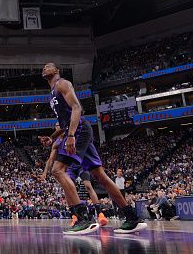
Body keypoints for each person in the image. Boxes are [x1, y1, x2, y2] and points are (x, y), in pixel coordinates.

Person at [38, 62, 147, 235]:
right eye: (43, 67)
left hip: (79, 130)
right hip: (78, 130)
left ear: (57, 70)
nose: (45, 68)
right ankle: (132, 217)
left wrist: (72, 135)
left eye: (49, 66)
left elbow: (76, 108)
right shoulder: (52, 93)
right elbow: (65, 122)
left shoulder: (62, 83)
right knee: (100, 176)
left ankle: (83, 218)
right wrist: (51, 137)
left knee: (57, 170)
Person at [40, 132, 108, 227]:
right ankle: (75, 216)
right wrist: (44, 172)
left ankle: (100, 214)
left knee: (88, 186)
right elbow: (51, 159)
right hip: (69, 167)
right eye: (57, 126)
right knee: (67, 189)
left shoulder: (75, 133)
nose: (59, 127)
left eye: (60, 125)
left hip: (80, 164)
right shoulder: (56, 143)